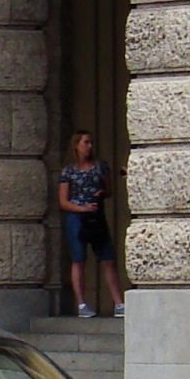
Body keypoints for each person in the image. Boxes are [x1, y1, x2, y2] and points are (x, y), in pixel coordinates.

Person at [56, 130, 125, 319]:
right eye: (86, 142)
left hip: (97, 215)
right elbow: (63, 201)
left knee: (108, 259)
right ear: (76, 145)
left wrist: (101, 194)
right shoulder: (68, 171)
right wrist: (81, 208)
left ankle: (119, 303)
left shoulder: (100, 166)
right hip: (77, 217)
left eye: (91, 142)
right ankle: (82, 304)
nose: (89, 146)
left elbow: (109, 189)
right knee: (78, 260)